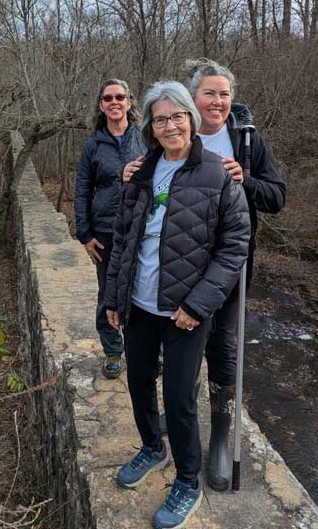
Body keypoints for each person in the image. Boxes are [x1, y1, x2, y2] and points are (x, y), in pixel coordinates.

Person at [123, 59, 286, 492]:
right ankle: (174, 424)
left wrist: (244, 180)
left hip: (224, 271)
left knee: (222, 348)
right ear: (193, 99)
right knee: (170, 367)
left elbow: (275, 197)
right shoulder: (159, 148)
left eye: (224, 94)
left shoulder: (245, 139)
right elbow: (132, 224)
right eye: (209, 93)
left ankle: (218, 437)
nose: (218, 101)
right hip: (168, 275)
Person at [104, 81, 250, 529]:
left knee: (179, 397)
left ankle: (188, 480)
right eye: (161, 119)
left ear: (191, 119)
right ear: (150, 127)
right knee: (138, 383)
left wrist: (198, 305)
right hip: (140, 304)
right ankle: (152, 448)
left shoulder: (218, 175)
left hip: (185, 311)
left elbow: (235, 246)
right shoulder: (140, 174)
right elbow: (122, 240)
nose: (170, 126)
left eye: (178, 116)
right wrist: (113, 298)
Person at [74, 78, 145, 379]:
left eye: (119, 97)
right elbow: (82, 189)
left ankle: (144, 350)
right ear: (101, 106)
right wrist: (85, 234)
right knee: (109, 292)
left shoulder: (144, 138)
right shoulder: (93, 145)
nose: (114, 102)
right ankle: (113, 351)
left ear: (129, 102)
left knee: (142, 290)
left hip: (140, 228)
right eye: (107, 98)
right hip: (104, 231)